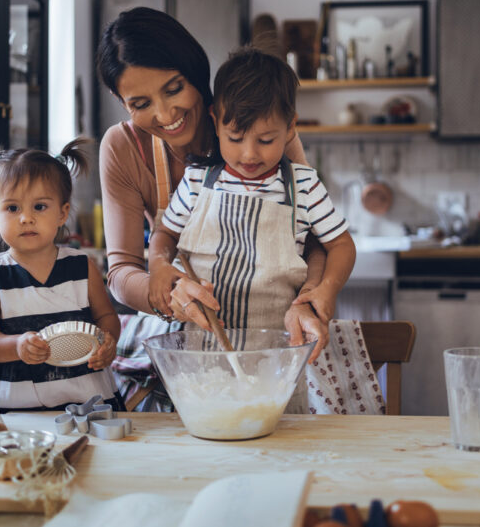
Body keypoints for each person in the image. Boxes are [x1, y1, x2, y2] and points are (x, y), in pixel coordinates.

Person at [97, 7, 332, 411]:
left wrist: (310, 299)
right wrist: (167, 291)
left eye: (174, 89)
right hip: (194, 340)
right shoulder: (121, 148)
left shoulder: (254, 125)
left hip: (275, 336)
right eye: (140, 103)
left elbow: (315, 240)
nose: (166, 115)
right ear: (122, 102)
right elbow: (120, 271)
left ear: (194, 71)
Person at [148, 46, 355, 344]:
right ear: (215, 121)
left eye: (266, 139)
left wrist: (326, 290)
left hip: (276, 347)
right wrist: (158, 266)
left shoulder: (304, 186)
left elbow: (341, 245)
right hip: (198, 345)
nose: (249, 154)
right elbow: (165, 233)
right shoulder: (197, 180)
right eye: (235, 137)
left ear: (290, 127)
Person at [0, 138, 124, 421]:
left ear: (62, 213)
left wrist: (108, 341)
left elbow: (107, 316)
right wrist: (16, 345)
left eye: (39, 207)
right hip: (11, 404)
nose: (26, 218)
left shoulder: (81, 266)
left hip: (83, 396)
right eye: (12, 209)